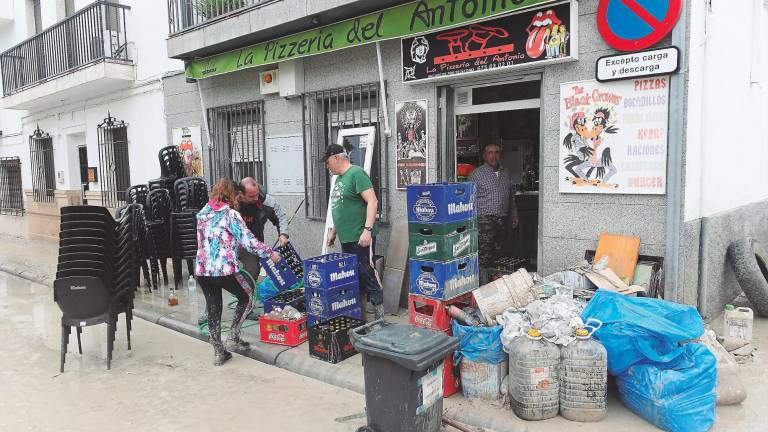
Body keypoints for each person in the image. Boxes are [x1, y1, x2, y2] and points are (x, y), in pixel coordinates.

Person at [195, 178, 281, 365]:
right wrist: (270, 253)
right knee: (247, 297)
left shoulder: (203, 213)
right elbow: (248, 240)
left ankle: (219, 351)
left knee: (213, 308)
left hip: (202, 271)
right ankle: (233, 336)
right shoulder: (230, 214)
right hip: (223, 271)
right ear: (232, 195)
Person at [322, 144, 384, 320]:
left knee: (368, 274)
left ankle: (380, 319)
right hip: (347, 237)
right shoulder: (340, 179)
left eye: (328, 163)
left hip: (361, 237)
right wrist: (334, 231)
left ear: (336, 158)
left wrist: (367, 231)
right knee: (355, 277)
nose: (327, 167)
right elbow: (340, 207)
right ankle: (361, 318)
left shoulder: (356, 173)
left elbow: (373, 202)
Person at [468, 143, 519, 267]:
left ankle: (494, 280)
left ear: (500, 155)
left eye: (496, 152)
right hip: (484, 221)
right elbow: (468, 199)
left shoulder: (505, 173)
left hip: (502, 219)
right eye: (490, 153)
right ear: (484, 156)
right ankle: (483, 283)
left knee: (500, 253)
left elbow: (510, 196)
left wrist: (514, 214)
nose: (493, 156)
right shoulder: (476, 174)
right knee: (484, 255)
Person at [237, 177, 290, 280]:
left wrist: (283, 234)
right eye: (252, 196)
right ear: (241, 194)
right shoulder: (233, 201)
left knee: (253, 269)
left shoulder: (264, 199)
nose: (256, 198)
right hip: (232, 241)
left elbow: (280, 216)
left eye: (257, 194)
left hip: (253, 242)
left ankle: (246, 293)